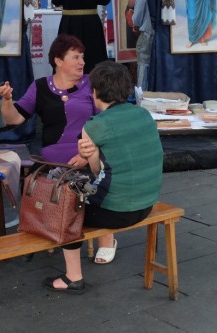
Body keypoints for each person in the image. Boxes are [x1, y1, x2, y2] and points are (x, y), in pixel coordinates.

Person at [42, 61, 163, 293]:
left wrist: (92, 155)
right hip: (147, 203)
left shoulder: (94, 125)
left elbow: (98, 172)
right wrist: (93, 155)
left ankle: (73, 277)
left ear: (95, 92)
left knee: (66, 208)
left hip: (117, 213)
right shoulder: (144, 115)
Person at [0, 34, 98, 166]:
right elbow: (14, 119)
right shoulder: (40, 86)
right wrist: (7, 99)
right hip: (51, 160)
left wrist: (88, 156)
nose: (82, 62)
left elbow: (106, 123)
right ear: (59, 61)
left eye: (82, 57)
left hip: (88, 158)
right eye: (76, 57)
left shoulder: (92, 82)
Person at [130, 0, 154, 90]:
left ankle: (143, 96)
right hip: (168, 37)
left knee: (144, 66)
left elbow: (138, 15)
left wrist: (136, 23)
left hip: (148, 33)